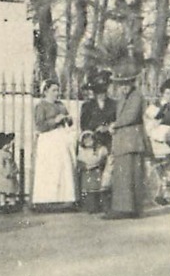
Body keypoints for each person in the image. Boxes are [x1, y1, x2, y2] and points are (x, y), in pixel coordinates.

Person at [107, 59, 147, 219]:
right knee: (124, 176)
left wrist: (114, 125)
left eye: (125, 83)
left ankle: (127, 209)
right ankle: (126, 208)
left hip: (132, 141)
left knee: (130, 176)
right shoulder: (124, 97)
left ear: (132, 82)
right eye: (120, 84)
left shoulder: (136, 96)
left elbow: (130, 116)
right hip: (124, 141)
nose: (122, 87)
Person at [31, 80, 77, 208]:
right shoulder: (41, 106)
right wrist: (54, 121)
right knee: (50, 169)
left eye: (58, 90)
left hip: (61, 140)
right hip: (48, 141)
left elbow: (69, 121)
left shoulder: (61, 105)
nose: (57, 93)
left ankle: (65, 198)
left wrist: (68, 119)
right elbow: (40, 126)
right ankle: (47, 200)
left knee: (63, 167)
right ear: (45, 91)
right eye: (54, 90)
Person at [80, 72, 117, 153]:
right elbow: (84, 126)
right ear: (94, 93)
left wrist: (107, 128)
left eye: (104, 91)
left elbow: (117, 121)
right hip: (93, 143)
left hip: (110, 141)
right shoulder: (87, 106)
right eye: (98, 92)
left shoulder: (114, 105)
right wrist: (96, 129)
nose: (102, 94)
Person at [77, 131, 109, 214]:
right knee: (89, 192)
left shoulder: (99, 150)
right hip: (87, 174)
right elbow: (80, 162)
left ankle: (100, 206)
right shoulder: (82, 152)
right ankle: (90, 207)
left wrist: (97, 164)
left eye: (90, 139)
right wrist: (85, 166)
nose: (88, 142)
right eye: (85, 140)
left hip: (96, 173)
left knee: (98, 190)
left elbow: (102, 159)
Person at [0, 132, 19, 212]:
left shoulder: (9, 153)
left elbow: (12, 163)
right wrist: (5, 173)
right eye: (7, 144)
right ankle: (3, 204)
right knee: (2, 191)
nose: (9, 145)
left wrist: (15, 169)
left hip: (10, 175)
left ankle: (12, 203)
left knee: (12, 190)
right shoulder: (0, 154)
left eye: (9, 143)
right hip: (3, 177)